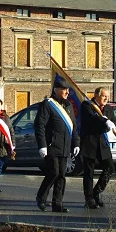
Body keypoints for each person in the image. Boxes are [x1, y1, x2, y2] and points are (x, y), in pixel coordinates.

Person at [34, 80, 79, 213]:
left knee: (62, 176)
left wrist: (76, 143)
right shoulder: (47, 104)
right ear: (56, 90)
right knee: (54, 172)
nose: (67, 92)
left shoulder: (68, 105)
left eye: (68, 90)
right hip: (52, 145)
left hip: (65, 146)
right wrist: (42, 145)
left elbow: (74, 127)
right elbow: (39, 125)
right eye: (64, 89)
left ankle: (57, 203)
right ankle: (41, 197)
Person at [79, 87, 116, 209]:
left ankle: (97, 192)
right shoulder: (87, 106)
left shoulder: (108, 108)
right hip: (89, 142)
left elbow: (114, 121)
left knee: (110, 168)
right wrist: (104, 121)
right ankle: (88, 198)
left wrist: (110, 124)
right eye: (103, 96)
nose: (106, 98)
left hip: (102, 144)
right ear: (96, 96)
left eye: (107, 96)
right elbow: (91, 118)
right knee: (89, 172)